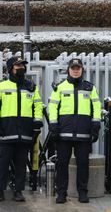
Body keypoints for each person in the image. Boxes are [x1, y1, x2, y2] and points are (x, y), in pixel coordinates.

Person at [48, 58, 101, 204]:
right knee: (62, 164)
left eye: (78, 68)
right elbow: (52, 107)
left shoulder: (90, 88)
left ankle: (83, 193)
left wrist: (95, 125)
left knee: (83, 165)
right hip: (63, 134)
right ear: (69, 70)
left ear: (82, 69)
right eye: (73, 68)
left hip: (83, 133)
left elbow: (97, 107)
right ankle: (61, 194)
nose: (76, 70)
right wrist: (53, 125)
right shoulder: (59, 87)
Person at [0, 55, 43, 202]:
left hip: (25, 133)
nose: (21, 68)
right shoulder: (2, 86)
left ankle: (18, 191)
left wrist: (37, 122)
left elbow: (37, 105)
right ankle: (0, 191)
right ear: (11, 68)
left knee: (21, 165)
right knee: (2, 164)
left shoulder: (31, 86)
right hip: (5, 132)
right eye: (18, 66)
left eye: (23, 66)